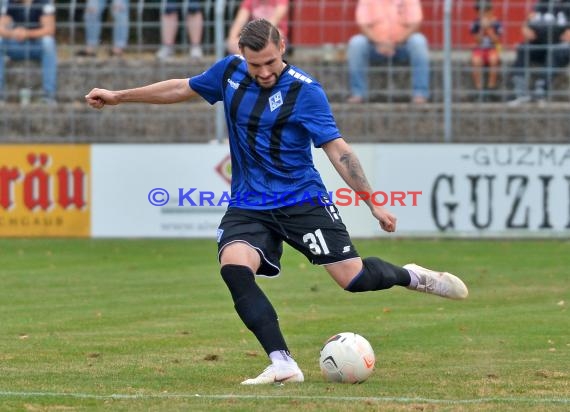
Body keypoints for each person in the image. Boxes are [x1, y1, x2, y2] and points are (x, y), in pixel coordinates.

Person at [85, 19, 468, 385]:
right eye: (256, 64)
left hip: (302, 200)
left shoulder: (305, 91)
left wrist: (372, 203)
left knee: (354, 279)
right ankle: (282, 363)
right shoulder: (229, 73)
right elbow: (182, 88)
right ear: (242, 55)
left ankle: (414, 276)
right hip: (250, 203)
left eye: (270, 62)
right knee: (234, 267)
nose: (264, 71)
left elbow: (338, 150)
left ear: (282, 48)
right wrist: (119, 96)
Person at [346, 0, 430, 104]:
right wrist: (380, 43)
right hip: (375, 46)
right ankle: (358, 93)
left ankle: (420, 94)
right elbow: (363, 25)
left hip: (402, 46)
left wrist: (395, 42)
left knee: (419, 41)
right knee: (356, 43)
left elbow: (415, 23)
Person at [508, 0, 570, 106]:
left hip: (560, 45)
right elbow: (529, 20)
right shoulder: (542, 3)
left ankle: (540, 91)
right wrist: (525, 27)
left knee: (558, 50)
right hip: (539, 43)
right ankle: (520, 93)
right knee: (523, 48)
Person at [0, 0, 57, 104]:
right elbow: (1, 28)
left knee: (48, 42)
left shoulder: (44, 3)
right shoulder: (11, 2)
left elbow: (49, 30)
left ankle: (49, 95)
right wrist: (14, 33)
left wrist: (27, 33)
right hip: (16, 46)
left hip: (36, 47)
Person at [469, 1, 502, 101]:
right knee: (476, 61)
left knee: (493, 60)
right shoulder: (475, 23)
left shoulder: (496, 23)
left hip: (492, 48)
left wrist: (488, 29)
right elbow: (477, 40)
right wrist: (482, 29)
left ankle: (491, 88)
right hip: (480, 49)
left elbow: (496, 40)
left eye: (485, 12)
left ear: (490, 11)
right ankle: (479, 89)